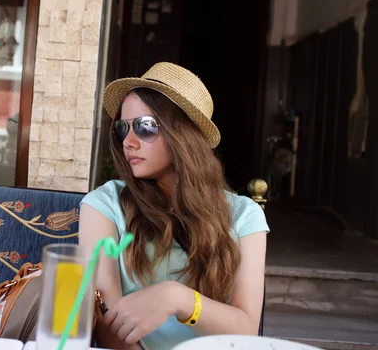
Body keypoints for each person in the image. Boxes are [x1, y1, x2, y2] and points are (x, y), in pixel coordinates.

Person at [79, 62, 269, 350]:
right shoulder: (104, 204)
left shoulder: (244, 216)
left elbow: (246, 331)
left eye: (145, 127)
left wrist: (176, 298)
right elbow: (109, 328)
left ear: (183, 135)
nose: (128, 142)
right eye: (122, 128)